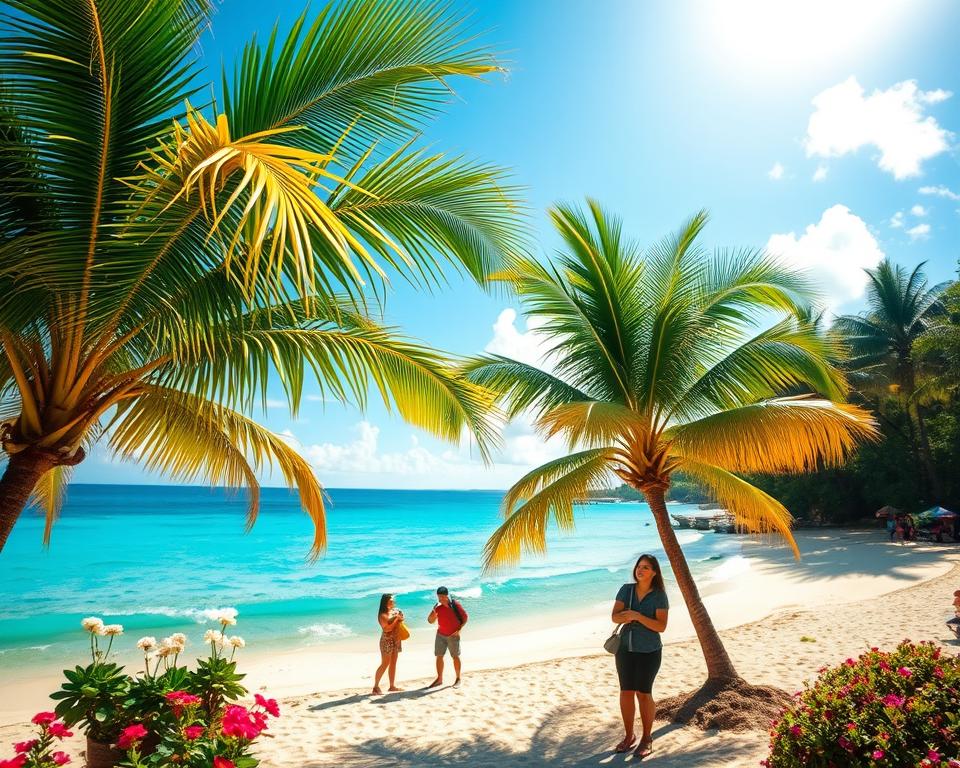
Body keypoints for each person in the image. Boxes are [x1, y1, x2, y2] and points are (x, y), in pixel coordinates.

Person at [611, 554, 669, 759]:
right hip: (625, 649)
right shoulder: (626, 590)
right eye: (638, 566)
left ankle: (646, 738)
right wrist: (625, 616)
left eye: (645, 567)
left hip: (650, 651)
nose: (640, 570)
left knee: (643, 693)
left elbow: (661, 626)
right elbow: (614, 616)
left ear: (654, 572)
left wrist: (637, 616)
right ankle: (629, 736)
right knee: (626, 691)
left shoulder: (659, 595)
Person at [427, 586, 467, 688]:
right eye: (438, 597)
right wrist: (433, 611)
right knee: (439, 656)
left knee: (455, 656)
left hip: (453, 635)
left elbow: (465, 618)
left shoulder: (455, 605)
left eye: (441, 597)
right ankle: (439, 679)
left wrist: (459, 630)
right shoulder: (437, 607)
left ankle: (458, 679)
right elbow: (430, 621)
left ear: (446, 596)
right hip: (440, 635)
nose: (440, 599)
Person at [372, 593, 404, 694]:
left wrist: (401, 617)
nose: (393, 602)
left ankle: (392, 686)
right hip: (386, 641)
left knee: (394, 662)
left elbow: (401, 620)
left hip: (396, 639)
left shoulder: (394, 611)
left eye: (393, 600)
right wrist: (397, 619)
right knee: (385, 664)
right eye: (391, 601)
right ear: (385, 603)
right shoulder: (382, 615)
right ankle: (375, 687)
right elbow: (387, 629)